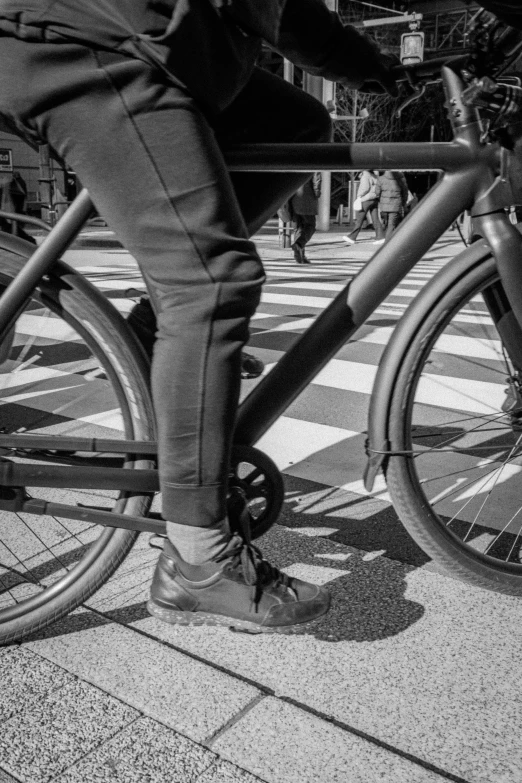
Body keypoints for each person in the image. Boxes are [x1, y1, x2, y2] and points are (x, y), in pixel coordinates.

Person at [0, 0, 396, 634]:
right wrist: (353, 58)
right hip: (84, 43)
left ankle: (159, 340)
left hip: (151, 37)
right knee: (212, 283)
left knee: (300, 123)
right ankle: (200, 563)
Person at [343, 169, 384, 245]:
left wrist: (359, 196)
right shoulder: (375, 176)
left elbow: (365, 188)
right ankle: (380, 237)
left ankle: (352, 237)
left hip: (366, 199)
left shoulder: (366, 175)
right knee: (375, 219)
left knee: (359, 219)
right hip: (374, 199)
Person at [290, 172, 321, 264]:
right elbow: (317, 180)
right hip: (307, 198)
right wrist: (317, 193)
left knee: (298, 228)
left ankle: (299, 256)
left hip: (293, 198)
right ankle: (299, 244)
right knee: (310, 225)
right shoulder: (313, 162)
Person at [377, 170, 408, 241]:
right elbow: (405, 193)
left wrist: (381, 200)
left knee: (385, 223)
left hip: (384, 206)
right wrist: (403, 203)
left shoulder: (381, 178)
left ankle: (384, 238)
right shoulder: (401, 179)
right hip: (395, 205)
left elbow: (377, 192)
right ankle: (387, 242)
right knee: (391, 225)